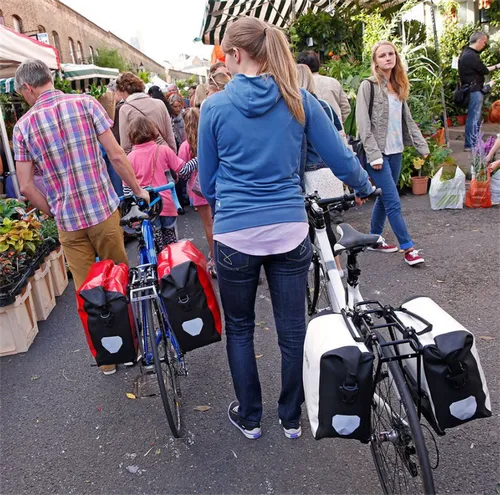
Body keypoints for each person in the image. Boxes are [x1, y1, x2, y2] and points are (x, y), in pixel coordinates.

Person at [198, 17, 373, 441]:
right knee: (292, 329)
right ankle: (291, 417)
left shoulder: (215, 107)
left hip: (235, 234)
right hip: (289, 229)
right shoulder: (298, 100)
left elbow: (206, 182)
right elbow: (339, 154)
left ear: (236, 55)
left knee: (240, 327)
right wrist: (365, 185)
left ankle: (251, 417)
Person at [13, 60, 149, 375]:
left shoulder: (23, 127)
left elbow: (25, 185)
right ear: (49, 78)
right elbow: (116, 155)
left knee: (88, 290)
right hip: (102, 211)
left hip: (69, 223)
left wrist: (53, 210)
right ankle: (132, 348)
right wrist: (138, 191)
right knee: (118, 279)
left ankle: (108, 359)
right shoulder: (86, 104)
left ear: (28, 88)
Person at [356, 40, 429, 266]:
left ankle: (374, 238)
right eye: (382, 55)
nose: (388, 58)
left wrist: (422, 146)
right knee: (393, 201)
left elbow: (406, 121)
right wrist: (374, 155)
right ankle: (409, 248)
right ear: (375, 61)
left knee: (384, 197)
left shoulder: (397, 86)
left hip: (396, 151)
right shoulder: (368, 86)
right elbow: (363, 125)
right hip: (378, 154)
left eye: (391, 54)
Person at [296, 63, 345, 276]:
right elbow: (339, 138)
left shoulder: (297, 107)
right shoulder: (325, 105)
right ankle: (337, 269)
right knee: (325, 222)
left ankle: (312, 265)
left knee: (308, 224)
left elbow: (300, 149)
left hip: (310, 173)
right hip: (329, 172)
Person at [127, 116, 185, 246]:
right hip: (166, 203)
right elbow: (183, 170)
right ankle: (172, 265)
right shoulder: (163, 150)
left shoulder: (129, 158)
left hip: (146, 207)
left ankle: (157, 263)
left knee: (155, 244)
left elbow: (127, 189)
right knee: (171, 244)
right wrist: (198, 160)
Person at [178, 108, 216, 276]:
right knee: (217, 221)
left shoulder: (185, 146)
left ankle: (215, 258)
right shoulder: (208, 140)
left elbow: (182, 172)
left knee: (208, 225)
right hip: (213, 185)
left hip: (197, 190)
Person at [115, 72, 176, 154]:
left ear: (122, 90)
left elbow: (126, 147)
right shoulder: (159, 103)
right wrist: (172, 156)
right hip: (164, 155)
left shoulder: (125, 109)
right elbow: (170, 137)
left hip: (141, 160)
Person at [458, 32, 500, 151]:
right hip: (474, 90)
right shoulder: (470, 56)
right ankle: (471, 144)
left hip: (472, 89)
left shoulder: (467, 53)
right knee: (474, 117)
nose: (485, 45)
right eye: (484, 42)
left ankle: (473, 143)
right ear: (479, 41)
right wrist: (497, 66)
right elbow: (484, 70)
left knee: (473, 116)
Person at [297, 50, 351, 125]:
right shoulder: (333, 82)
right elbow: (346, 108)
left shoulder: (300, 85)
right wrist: (338, 122)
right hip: (336, 131)